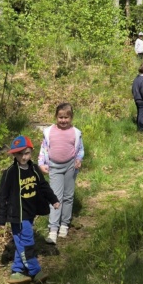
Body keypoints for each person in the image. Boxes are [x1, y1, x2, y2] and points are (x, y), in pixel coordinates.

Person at [0, 135, 60, 284]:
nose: (23, 157)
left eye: (26, 153)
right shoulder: (10, 172)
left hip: (30, 212)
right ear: (14, 154)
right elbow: (2, 195)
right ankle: (35, 271)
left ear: (32, 151)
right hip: (17, 214)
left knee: (21, 241)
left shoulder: (34, 169)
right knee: (27, 242)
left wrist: (53, 199)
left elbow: (43, 186)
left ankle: (17, 271)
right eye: (19, 154)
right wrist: (0, 219)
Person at [38, 103, 84, 244]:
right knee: (55, 197)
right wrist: (41, 164)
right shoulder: (49, 132)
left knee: (68, 196)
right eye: (60, 117)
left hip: (70, 166)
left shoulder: (76, 132)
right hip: (54, 167)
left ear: (71, 118)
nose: (63, 120)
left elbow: (80, 149)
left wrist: (78, 159)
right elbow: (44, 149)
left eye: (66, 117)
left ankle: (64, 223)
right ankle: (53, 229)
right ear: (56, 117)